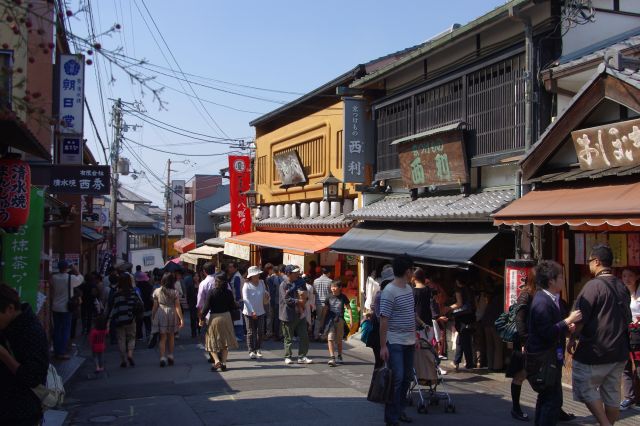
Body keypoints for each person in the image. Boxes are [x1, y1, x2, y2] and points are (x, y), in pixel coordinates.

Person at [570, 244, 632, 426]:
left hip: (594, 352)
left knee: (586, 388)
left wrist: (573, 337)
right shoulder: (622, 286)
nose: (589, 264)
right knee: (612, 394)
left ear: (597, 262)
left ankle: (605, 424)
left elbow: (579, 317)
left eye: (589, 261)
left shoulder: (593, 286)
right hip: (619, 351)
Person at [527, 261, 582, 426]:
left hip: (550, 357)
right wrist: (567, 321)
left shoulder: (551, 299)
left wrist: (567, 327)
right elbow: (546, 332)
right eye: (560, 277)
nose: (562, 280)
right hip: (544, 358)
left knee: (548, 399)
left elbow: (553, 327)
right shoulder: (542, 302)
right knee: (551, 400)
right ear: (551, 280)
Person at [0, 284, 49, 426]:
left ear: (10, 308)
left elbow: (34, 377)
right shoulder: (6, 326)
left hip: (22, 413)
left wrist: (4, 356)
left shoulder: (31, 331)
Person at [379, 255, 416, 426]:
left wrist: (414, 335)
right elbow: (384, 319)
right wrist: (383, 346)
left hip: (409, 340)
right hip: (394, 341)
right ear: (408, 271)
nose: (413, 273)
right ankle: (391, 416)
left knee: (407, 377)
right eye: (412, 270)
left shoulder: (409, 289)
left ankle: (400, 410)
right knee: (398, 378)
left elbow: (410, 314)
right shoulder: (389, 291)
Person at [200, 275, 239, 371]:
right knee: (225, 341)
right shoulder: (229, 293)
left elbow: (206, 308)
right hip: (226, 317)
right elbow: (232, 306)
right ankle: (224, 363)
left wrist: (201, 319)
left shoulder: (212, 292)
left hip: (214, 318)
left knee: (211, 341)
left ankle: (217, 361)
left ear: (216, 282)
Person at [108, 275, 144, 368]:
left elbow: (113, 307)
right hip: (131, 319)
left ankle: (123, 359)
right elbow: (140, 303)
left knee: (121, 339)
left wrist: (109, 320)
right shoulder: (133, 293)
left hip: (119, 319)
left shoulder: (117, 294)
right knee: (131, 337)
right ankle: (130, 354)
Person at [50, 260, 84, 359]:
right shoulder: (71, 278)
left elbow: (50, 282)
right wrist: (76, 270)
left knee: (57, 329)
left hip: (55, 306)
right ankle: (62, 352)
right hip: (66, 307)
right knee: (65, 330)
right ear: (67, 268)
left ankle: (57, 350)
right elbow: (81, 279)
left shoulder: (54, 278)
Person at [280, 265, 313, 365]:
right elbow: (287, 300)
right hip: (288, 314)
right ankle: (288, 356)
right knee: (288, 338)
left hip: (300, 313)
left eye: (297, 272)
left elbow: (306, 296)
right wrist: (299, 301)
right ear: (288, 274)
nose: (297, 274)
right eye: (294, 272)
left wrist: (304, 297)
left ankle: (302, 356)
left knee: (304, 336)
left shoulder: (300, 282)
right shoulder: (283, 285)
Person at [152, 272, 184, 367]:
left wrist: (153, 315)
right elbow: (178, 306)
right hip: (172, 312)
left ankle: (162, 357)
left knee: (162, 337)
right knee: (171, 336)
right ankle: (170, 355)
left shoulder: (157, 291)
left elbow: (155, 306)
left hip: (161, 312)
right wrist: (181, 319)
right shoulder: (174, 292)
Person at [367, 266, 394, 370]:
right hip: (380, 335)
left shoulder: (381, 294)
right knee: (382, 366)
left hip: (380, 334)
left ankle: (378, 385)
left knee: (381, 366)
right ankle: (379, 385)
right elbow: (381, 318)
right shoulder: (383, 295)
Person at [621, 267, 640, 411]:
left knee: (639, 366)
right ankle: (629, 397)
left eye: (630, 275)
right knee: (625, 366)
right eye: (624, 276)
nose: (627, 279)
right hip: (624, 332)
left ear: (637, 277)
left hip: (638, 333)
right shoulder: (621, 293)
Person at [321, 280, 352, 367]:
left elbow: (349, 308)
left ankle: (339, 355)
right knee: (330, 338)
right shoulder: (328, 297)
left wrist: (351, 320)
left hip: (340, 320)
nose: (333, 289)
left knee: (338, 340)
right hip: (330, 320)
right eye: (331, 287)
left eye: (334, 287)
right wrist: (322, 321)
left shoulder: (343, 297)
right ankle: (332, 357)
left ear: (340, 288)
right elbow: (325, 309)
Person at [449, 273, 476, 371]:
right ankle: (456, 362)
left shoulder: (459, 290)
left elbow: (459, 304)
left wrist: (448, 309)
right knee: (460, 340)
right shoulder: (471, 290)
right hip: (470, 317)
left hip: (461, 318)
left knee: (465, 341)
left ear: (457, 281)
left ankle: (469, 364)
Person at [242, 266, 267, 359]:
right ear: (251, 276)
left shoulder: (262, 283)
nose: (258, 276)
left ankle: (258, 348)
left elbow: (265, 293)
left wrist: (267, 295)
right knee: (251, 332)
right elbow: (245, 299)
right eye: (256, 274)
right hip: (249, 312)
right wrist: (252, 311)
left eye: (258, 274)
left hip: (260, 311)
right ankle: (251, 350)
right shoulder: (246, 285)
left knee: (260, 331)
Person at [227, 262, 245, 342]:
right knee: (237, 318)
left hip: (237, 301)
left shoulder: (237, 277)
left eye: (231, 267)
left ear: (235, 268)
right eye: (229, 267)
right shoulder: (235, 276)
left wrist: (237, 301)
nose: (229, 269)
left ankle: (239, 335)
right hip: (236, 301)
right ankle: (238, 335)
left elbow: (237, 290)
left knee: (238, 319)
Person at [313, 268, 332, 340]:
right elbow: (331, 293)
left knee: (318, 319)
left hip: (318, 303)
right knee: (326, 319)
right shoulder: (330, 281)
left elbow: (314, 292)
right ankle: (324, 336)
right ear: (328, 273)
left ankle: (316, 335)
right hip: (326, 303)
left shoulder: (315, 281)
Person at [134, 270, 153, 340]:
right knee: (148, 321)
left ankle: (140, 336)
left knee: (139, 323)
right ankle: (149, 334)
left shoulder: (136, 288)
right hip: (148, 307)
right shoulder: (150, 287)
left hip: (139, 308)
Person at [265, 264, 281, 340]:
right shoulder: (280, 278)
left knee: (270, 317)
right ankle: (276, 333)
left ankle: (269, 332)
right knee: (276, 318)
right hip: (278, 301)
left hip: (271, 300)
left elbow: (271, 291)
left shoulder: (270, 279)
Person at [182, 269, 199, 338]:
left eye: (197, 276)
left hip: (200, 304)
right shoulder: (190, 285)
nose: (196, 278)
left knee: (199, 318)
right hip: (192, 304)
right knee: (193, 318)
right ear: (192, 277)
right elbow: (188, 295)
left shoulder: (201, 284)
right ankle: (193, 333)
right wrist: (188, 303)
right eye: (195, 276)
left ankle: (199, 329)